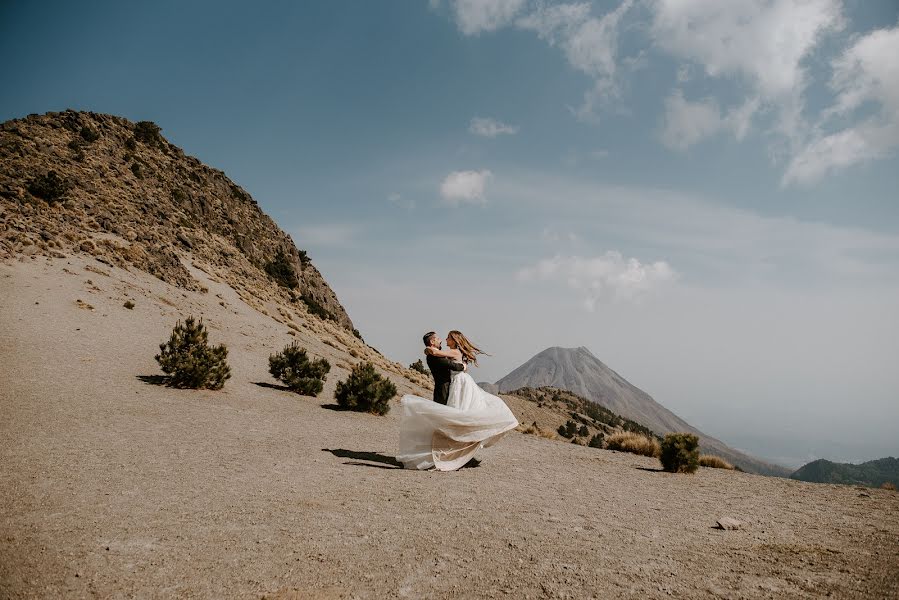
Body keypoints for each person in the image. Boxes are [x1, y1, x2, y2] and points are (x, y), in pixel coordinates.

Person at [396, 330, 519, 471]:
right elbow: (451, 363)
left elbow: (448, 360)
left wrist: (431, 350)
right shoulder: (436, 354)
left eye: (447, 337)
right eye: (439, 338)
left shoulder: (448, 352)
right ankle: (446, 453)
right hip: (451, 387)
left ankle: (452, 453)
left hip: (459, 385)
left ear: (454, 340)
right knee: (452, 419)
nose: (443, 339)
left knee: (456, 417)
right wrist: (431, 351)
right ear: (432, 342)